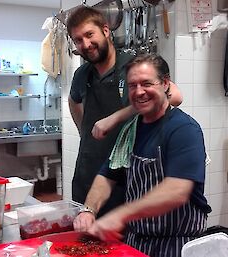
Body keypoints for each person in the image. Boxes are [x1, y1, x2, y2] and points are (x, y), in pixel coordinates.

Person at [73, 53, 211, 257]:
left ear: (165, 84)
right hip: (136, 244)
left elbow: (177, 190)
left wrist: (121, 215)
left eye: (146, 83)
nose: (139, 92)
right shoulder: (130, 130)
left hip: (178, 245)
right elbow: (107, 176)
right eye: (132, 85)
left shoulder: (184, 129)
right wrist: (89, 210)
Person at [67, 6, 183, 217]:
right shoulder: (81, 74)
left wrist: (116, 117)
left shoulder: (132, 65)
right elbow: (73, 101)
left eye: (89, 35)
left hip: (126, 177)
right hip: (88, 174)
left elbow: (175, 95)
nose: (85, 44)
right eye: (77, 40)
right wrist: (84, 132)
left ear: (105, 30)